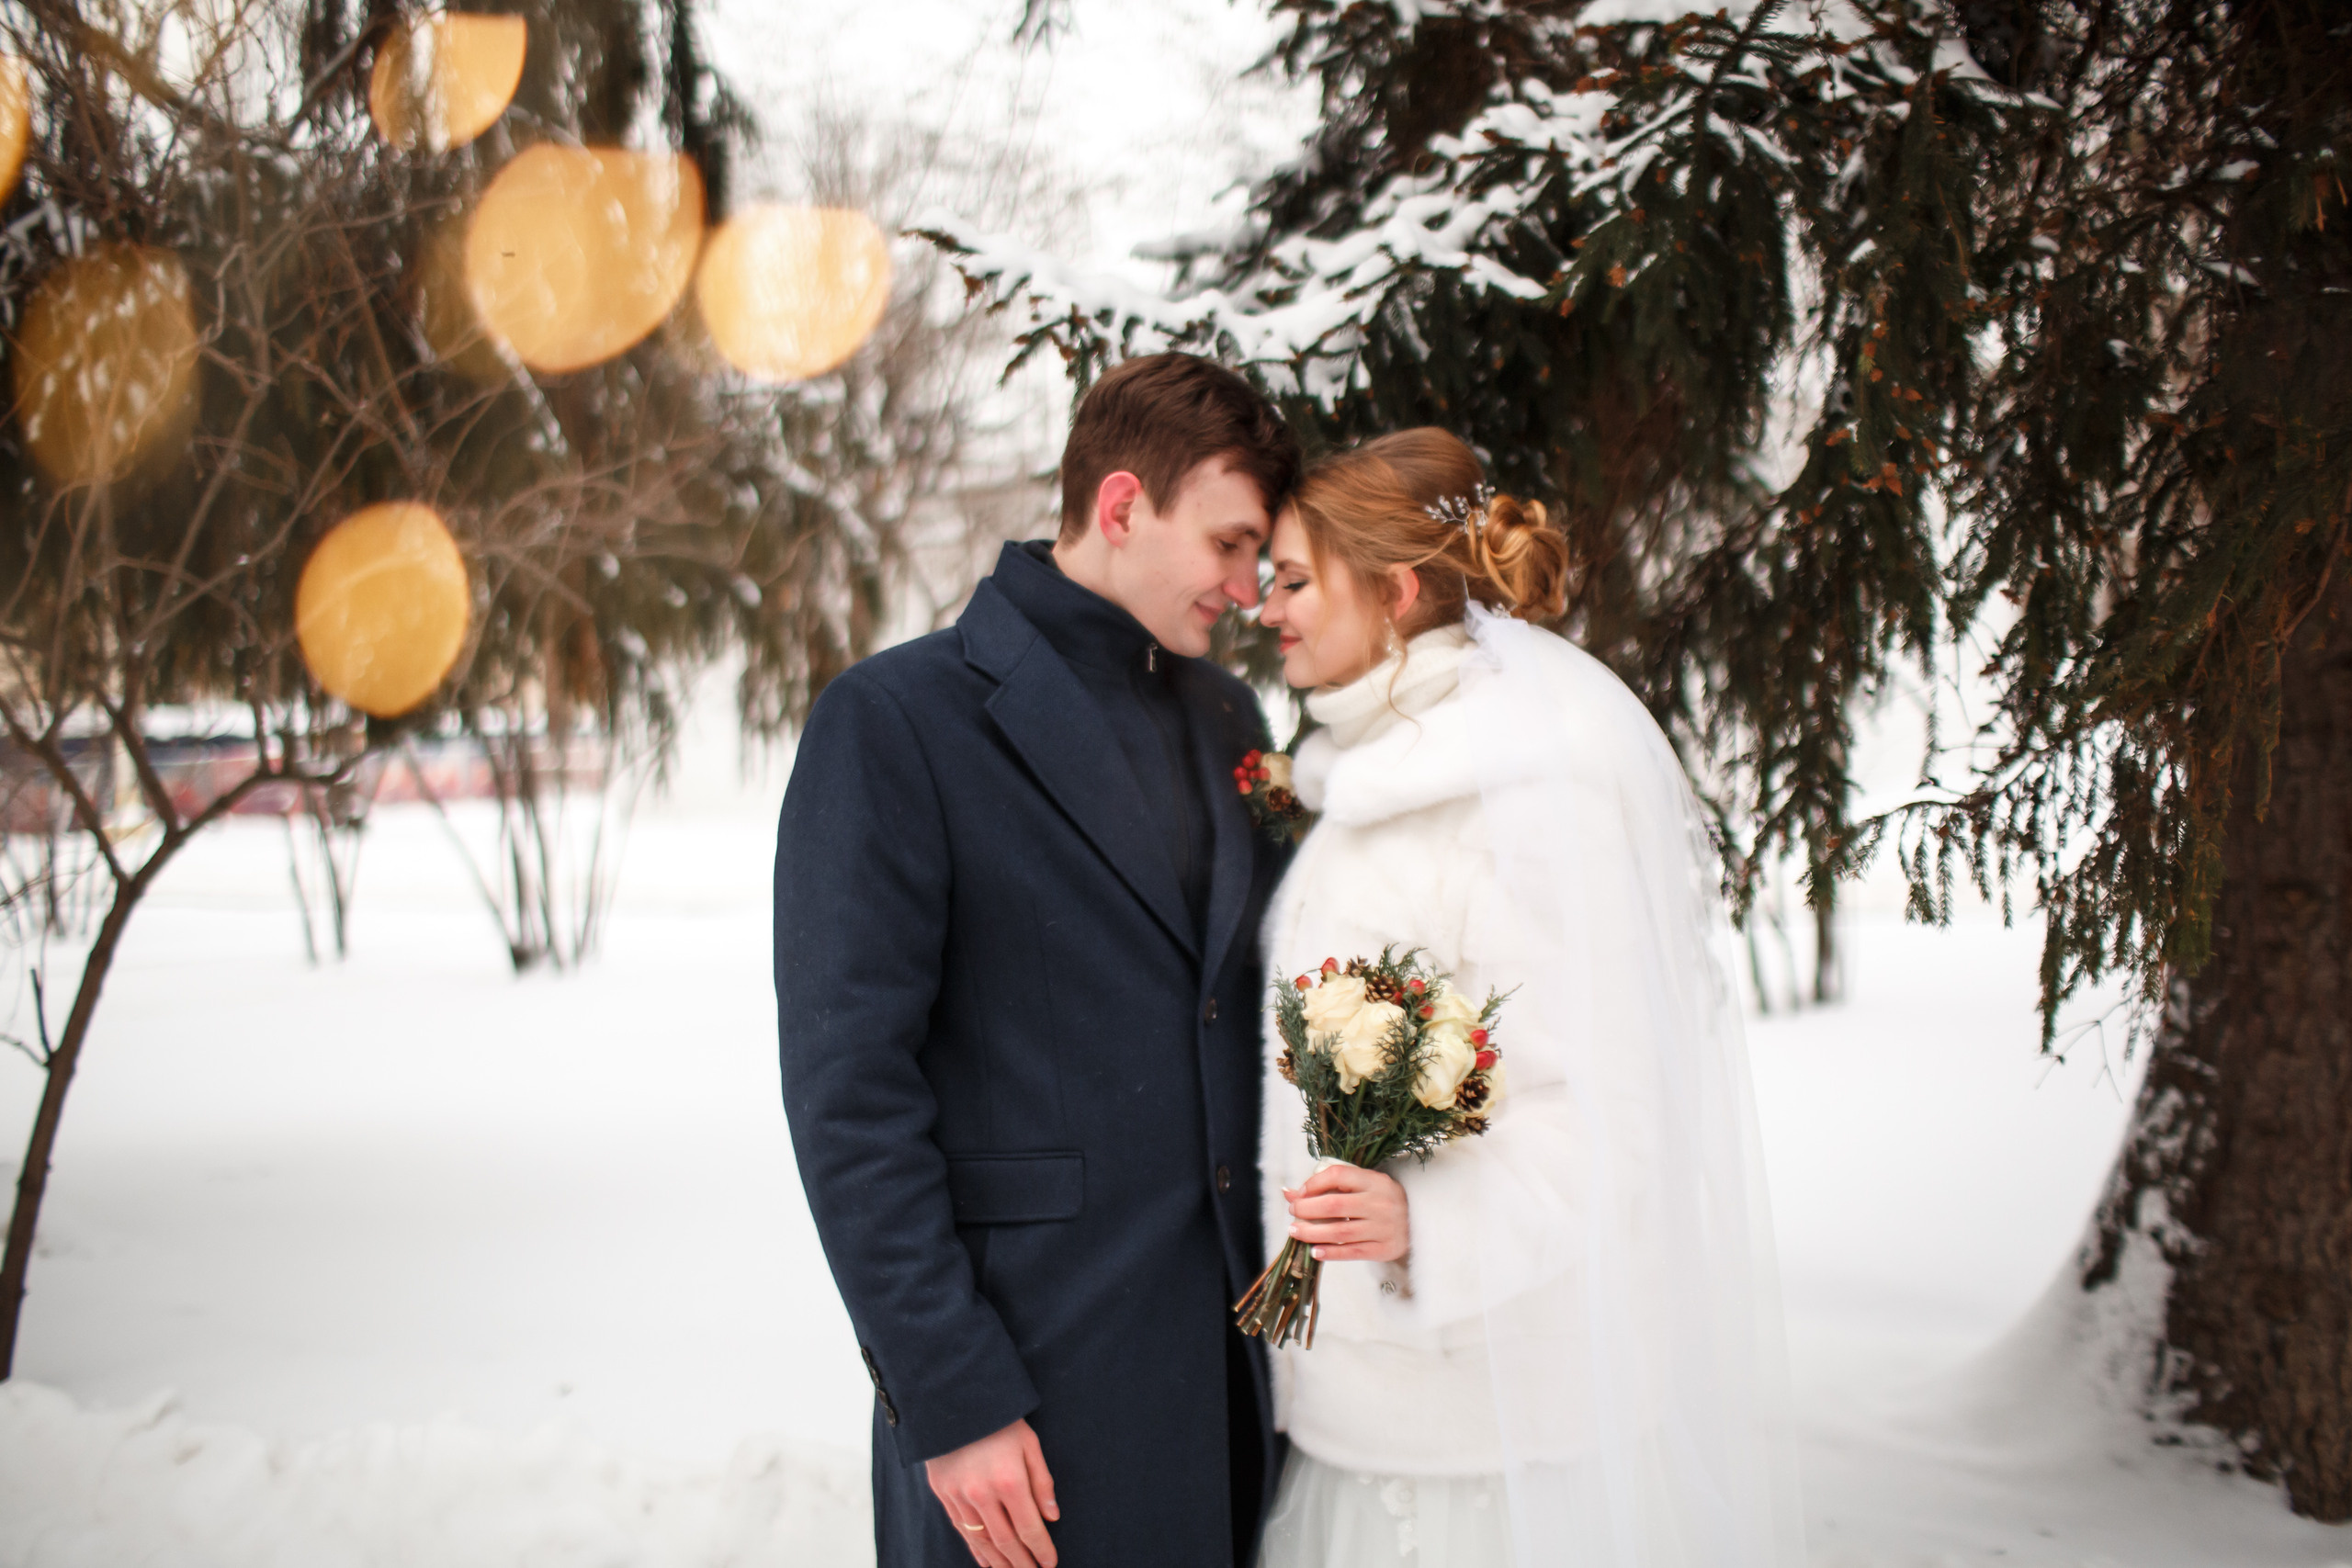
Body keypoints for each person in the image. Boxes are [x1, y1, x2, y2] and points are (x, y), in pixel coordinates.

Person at [775, 353, 1303, 1568]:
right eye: (1226, 545)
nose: (1245, 585)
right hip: (1023, 1408)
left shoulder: (1232, 720)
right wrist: (951, 1393)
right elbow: (849, 1090)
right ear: (1121, 505)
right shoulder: (898, 719)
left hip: (1228, 1397)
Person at [1251, 430, 1805, 1567]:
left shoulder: (1524, 801)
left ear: (1396, 592)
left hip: (1483, 1447)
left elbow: (1615, 1116)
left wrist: (1426, 1225)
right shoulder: (1365, 789)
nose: (1267, 609)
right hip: (1361, 1403)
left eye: (1296, 579)